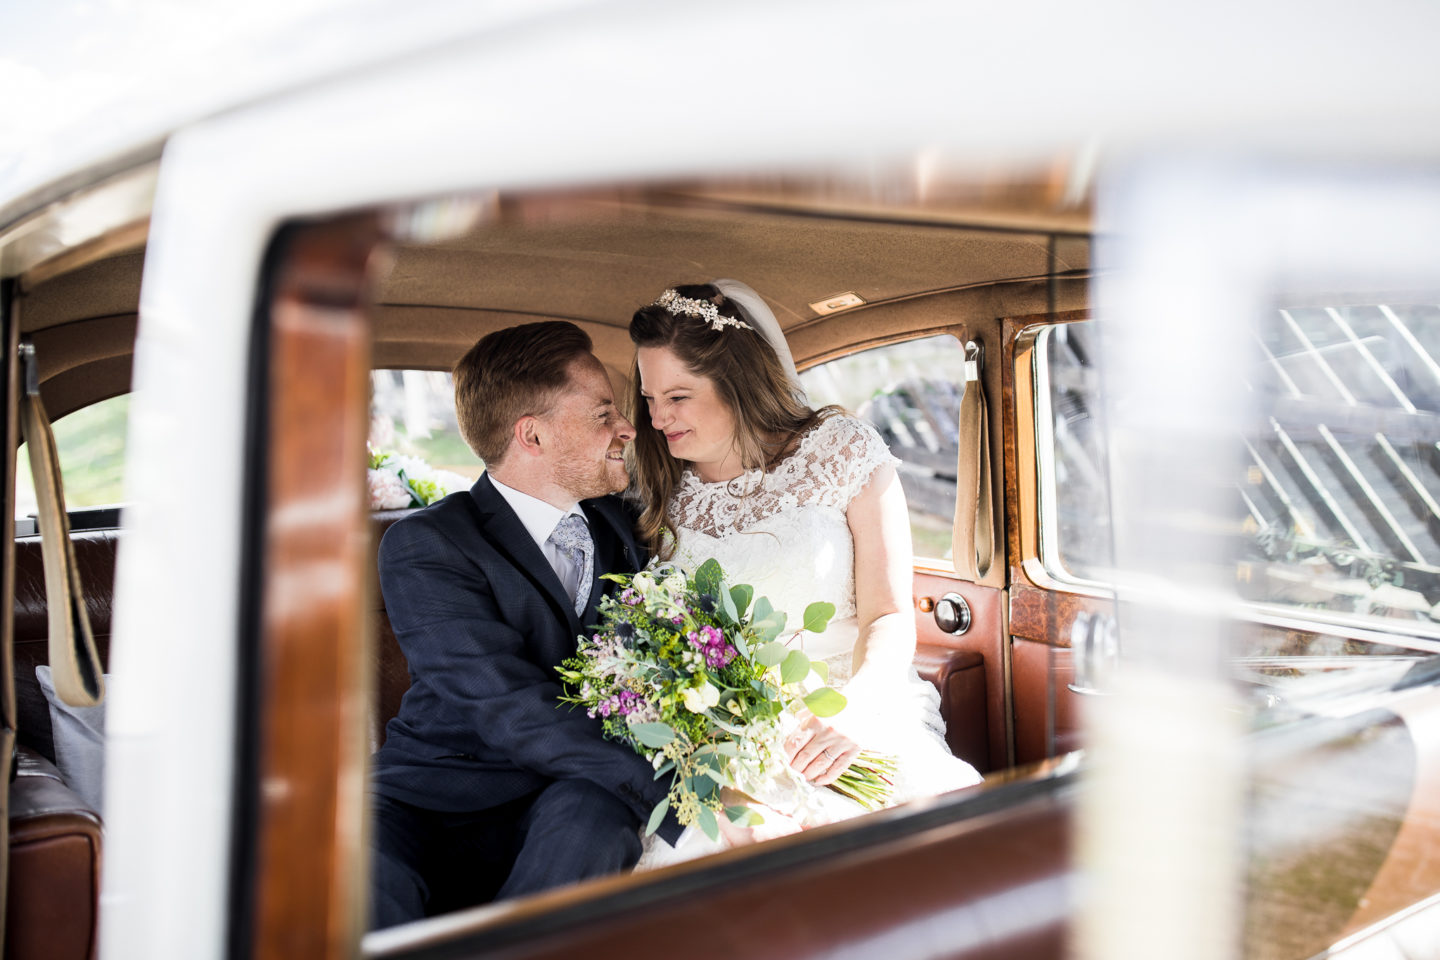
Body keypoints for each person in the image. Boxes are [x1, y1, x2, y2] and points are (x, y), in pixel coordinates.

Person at [626, 281, 983, 864]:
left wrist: (857, 715)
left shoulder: (842, 451)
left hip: (859, 701)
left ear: (735, 385)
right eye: (649, 398)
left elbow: (889, 614)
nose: (659, 417)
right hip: (720, 741)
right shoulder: (661, 487)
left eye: (679, 397)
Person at [369, 320, 681, 928]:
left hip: (573, 792)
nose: (626, 428)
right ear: (532, 435)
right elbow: (507, 707)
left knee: (594, 822)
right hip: (433, 797)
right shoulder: (428, 545)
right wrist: (683, 794)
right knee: (361, 880)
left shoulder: (627, 525)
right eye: (602, 415)